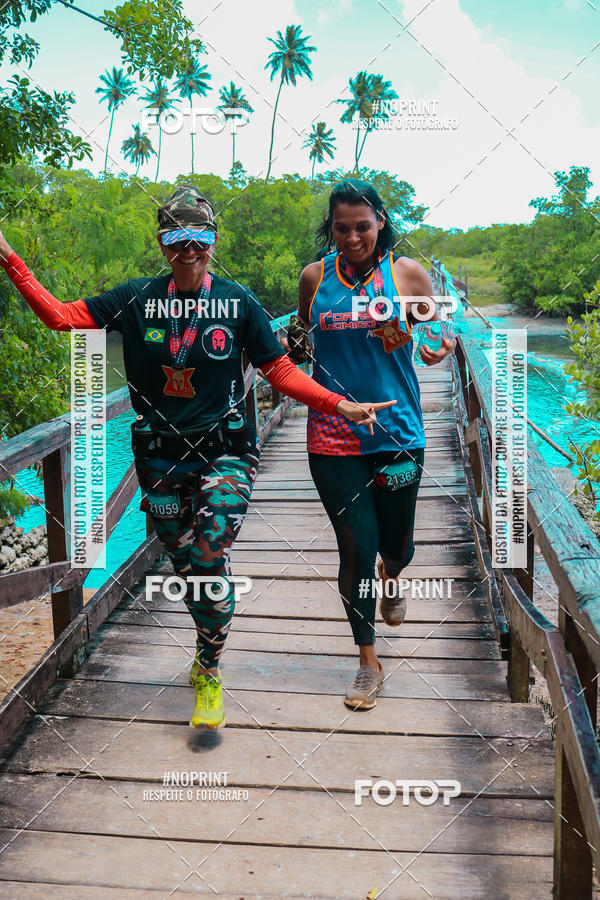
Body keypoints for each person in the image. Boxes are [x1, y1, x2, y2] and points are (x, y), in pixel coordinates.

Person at [0, 185, 394, 729]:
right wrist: (9, 258)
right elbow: (62, 319)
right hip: (160, 459)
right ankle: (207, 639)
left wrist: (337, 404)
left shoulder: (236, 302)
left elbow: (279, 370)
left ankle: (210, 669)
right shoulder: (136, 299)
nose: (188, 248)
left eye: (199, 236)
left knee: (208, 558)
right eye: (176, 237)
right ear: (163, 243)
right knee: (189, 572)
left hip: (226, 451)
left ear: (213, 239)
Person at [292, 178, 456, 711]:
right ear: (331, 228)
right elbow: (300, 335)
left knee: (396, 546)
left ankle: (394, 575)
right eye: (342, 229)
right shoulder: (314, 277)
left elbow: (438, 331)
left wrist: (440, 346)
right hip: (333, 434)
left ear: (380, 222)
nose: (353, 238)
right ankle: (368, 661)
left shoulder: (407, 274)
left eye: (362, 227)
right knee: (355, 547)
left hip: (398, 432)